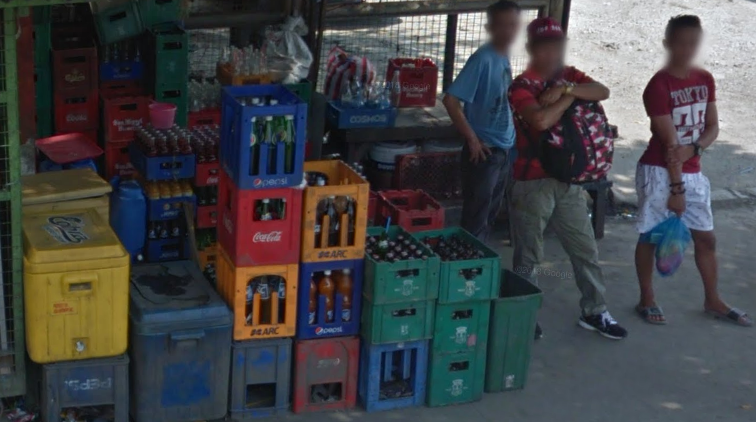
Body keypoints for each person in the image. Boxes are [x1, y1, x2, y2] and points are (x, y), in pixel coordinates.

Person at [508, 17, 628, 340]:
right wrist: (571, 96)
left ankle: (595, 310)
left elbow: (603, 90)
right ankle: (524, 313)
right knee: (528, 256)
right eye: (544, 47)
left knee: (585, 249)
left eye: (557, 46)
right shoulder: (521, 86)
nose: (552, 53)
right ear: (531, 48)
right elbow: (541, 120)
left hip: (569, 182)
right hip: (532, 183)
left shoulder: (568, 76)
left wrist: (567, 91)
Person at [634, 15, 751, 326]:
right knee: (650, 236)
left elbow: (712, 127)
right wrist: (677, 189)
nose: (687, 50)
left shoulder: (704, 79)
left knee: (707, 239)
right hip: (660, 171)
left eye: (693, 43)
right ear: (667, 44)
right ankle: (647, 298)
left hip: (693, 169)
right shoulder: (658, 86)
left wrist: (696, 149)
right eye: (681, 43)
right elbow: (670, 145)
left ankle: (713, 299)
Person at [442, 0, 521, 242]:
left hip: (504, 147)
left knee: (490, 216)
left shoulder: (503, 55)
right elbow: (451, 100)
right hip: (485, 151)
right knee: (475, 221)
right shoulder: (483, 58)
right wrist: (473, 140)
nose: (508, 31)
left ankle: (481, 260)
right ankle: (469, 262)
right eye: (502, 25)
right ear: (491, 28)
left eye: (513, 25)